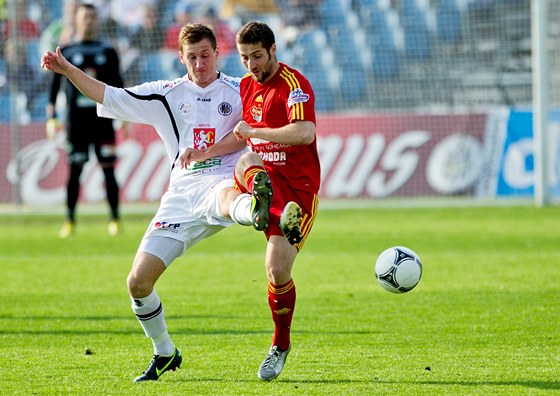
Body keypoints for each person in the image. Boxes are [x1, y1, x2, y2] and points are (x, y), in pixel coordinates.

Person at [41, 22, 280, 382]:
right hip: (181, 196)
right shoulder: (166, 94)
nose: (200, 64)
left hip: (224, 182)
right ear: (181, 58)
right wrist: (66, 69)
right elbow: (107, 94)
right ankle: (165, 352)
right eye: (192, 57)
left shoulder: (241, 88)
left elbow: (264, 118)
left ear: (217, 53)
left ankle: (256, 210)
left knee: (224, 197)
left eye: (206, 55)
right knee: (137, 283)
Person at [194, 20, 321, 382]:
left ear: (273, 50)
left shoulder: (295, 86)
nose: (251, 65)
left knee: (277, 271)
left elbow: (304, 132)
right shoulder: (247, 87)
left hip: (299, 189)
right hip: (265, 178)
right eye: (245, 57)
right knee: (247, 161)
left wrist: (256, 132)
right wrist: (206, 154)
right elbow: (240, 138)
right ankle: (268, 208)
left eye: (258, 56)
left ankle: (280, 344)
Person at [46, 3, 123, 239]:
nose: (88, 20)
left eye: (92, 16)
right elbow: (54, 88)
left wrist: (126, 119)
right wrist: (52, 118)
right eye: (84, 17)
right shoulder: (66, 52)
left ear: (96, 20)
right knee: (75, 171)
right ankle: (69, 220)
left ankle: (114, 219)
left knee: (109, 170)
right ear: (76, 20)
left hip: (103, 121)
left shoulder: (108, 51)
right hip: (76, 124)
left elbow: (119, 87)